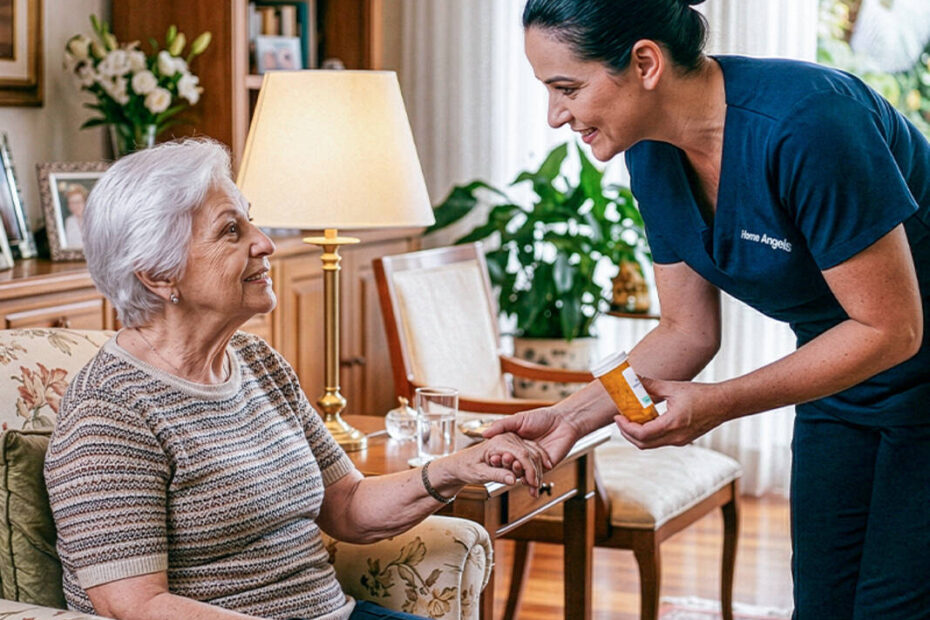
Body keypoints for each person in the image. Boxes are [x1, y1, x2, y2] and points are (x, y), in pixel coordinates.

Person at [485, 1, 930, 618]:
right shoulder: (651, 151)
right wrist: (569, 418)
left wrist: (719, 403)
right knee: (823, 600)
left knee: (895, 606)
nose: (557, 115)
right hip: (842, 378)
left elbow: (893, 328)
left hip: (909, 361)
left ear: (645, 62)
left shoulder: (809, 121)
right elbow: (686, 331)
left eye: (568, 88)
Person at [44, 138, 549, 620]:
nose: (264, 244)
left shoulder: (257, 361)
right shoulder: (109, 412)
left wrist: (456, 467)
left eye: (251, 222)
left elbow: (347, 505)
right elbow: (134, 605)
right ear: (158, 274)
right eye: (231, 231)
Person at [62, 182, 88, 248]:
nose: (75, 206)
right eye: (71, 203)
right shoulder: (69, 221)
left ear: (85, 202)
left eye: (78, 202)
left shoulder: (95, 219)